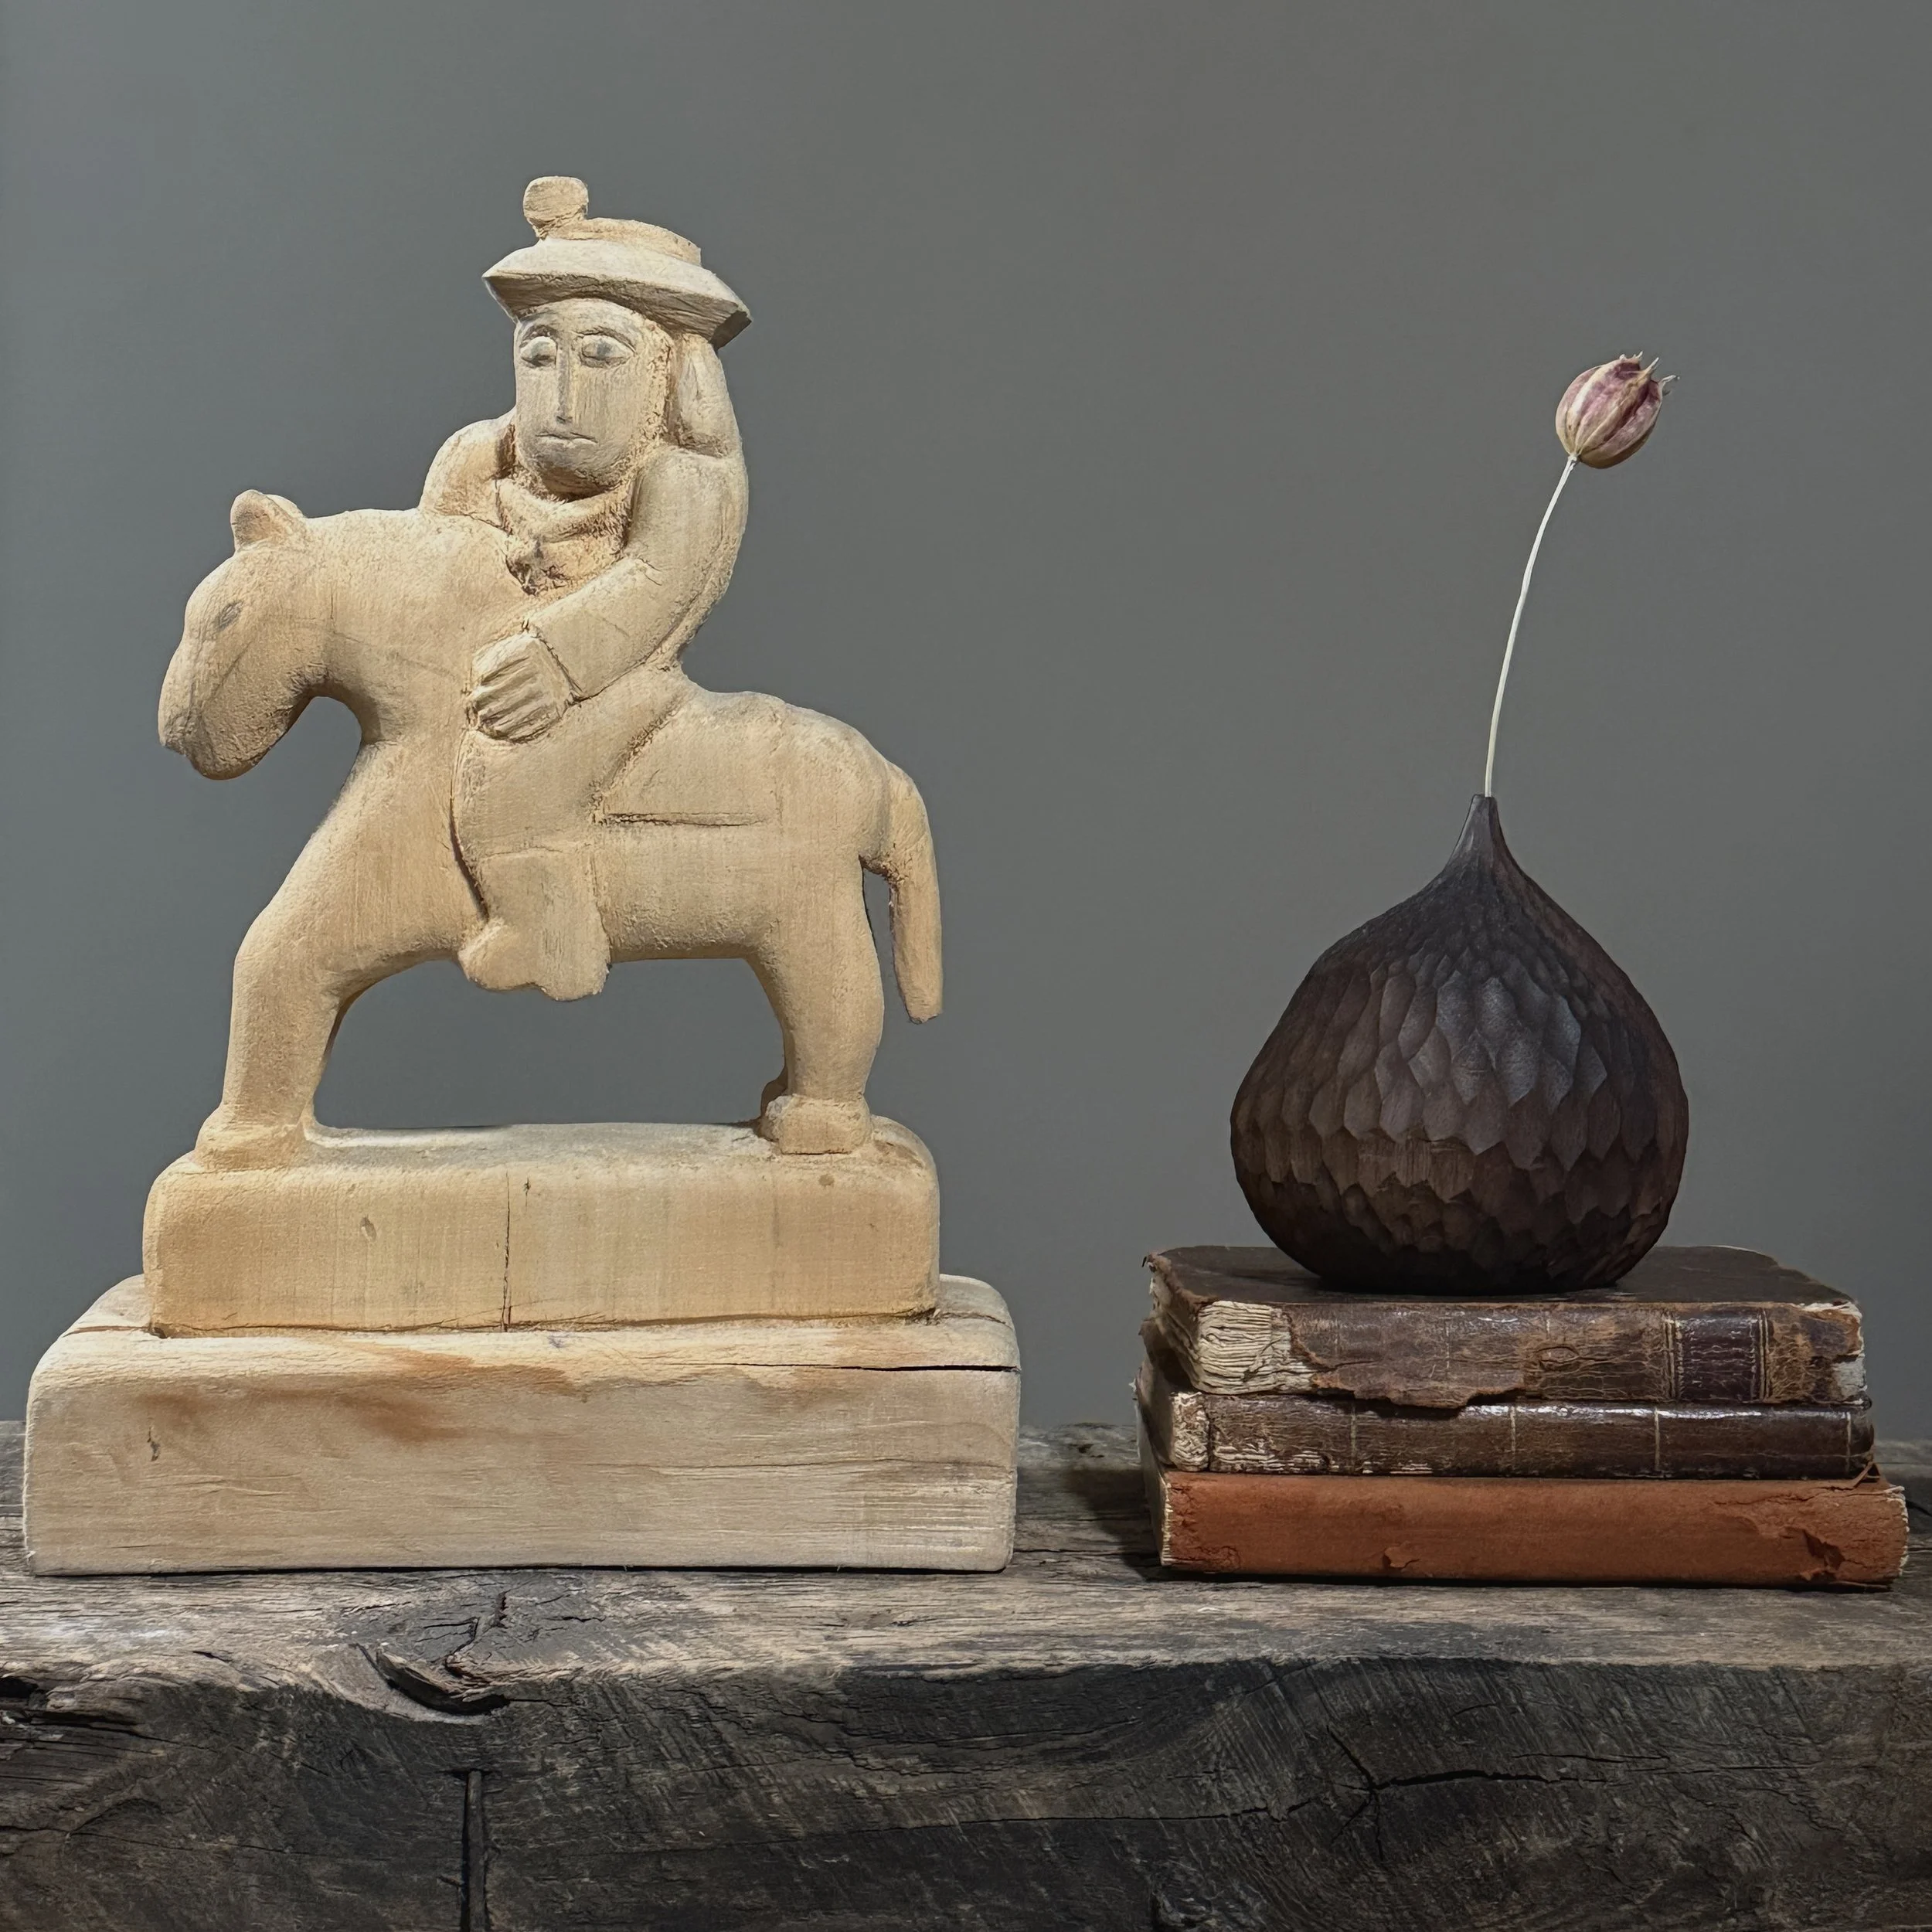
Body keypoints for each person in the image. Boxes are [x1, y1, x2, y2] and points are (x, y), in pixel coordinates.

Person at [421, 176, 750, 999]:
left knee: (507, 786)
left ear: (671, 373)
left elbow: (655, 584)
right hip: (475, 679)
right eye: (539, 353)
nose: (563, 393)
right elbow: (425, 573)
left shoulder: (684, 477)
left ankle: (554, 936)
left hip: (613, 686)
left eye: (604, 355)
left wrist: (557, 662)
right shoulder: (474, 457)